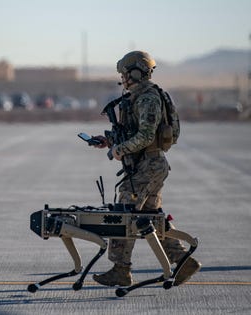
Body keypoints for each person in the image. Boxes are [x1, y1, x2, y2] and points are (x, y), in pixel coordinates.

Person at [90, 51, 201, 287]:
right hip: (148, 165)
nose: (123, 78)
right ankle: (183, 262)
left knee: (124, 214)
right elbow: (136, 135)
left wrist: (119, 150)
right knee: (150, 219)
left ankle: (121, 270)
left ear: (137, 72)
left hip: (148, 166)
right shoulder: (138, 97)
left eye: (125, 74)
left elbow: (146, 136)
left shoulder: (148, 98)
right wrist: (110, 142)